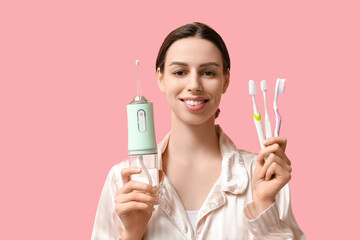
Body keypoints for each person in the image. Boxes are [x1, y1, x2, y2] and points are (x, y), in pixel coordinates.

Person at [91, 22, 306, 240]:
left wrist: (263, 207)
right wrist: (132, 233)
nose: (194, 84)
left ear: (226, 79)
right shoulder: (123, 180)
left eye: (208, 72)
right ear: (160, 78)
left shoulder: (263, 175)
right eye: (180, 72)